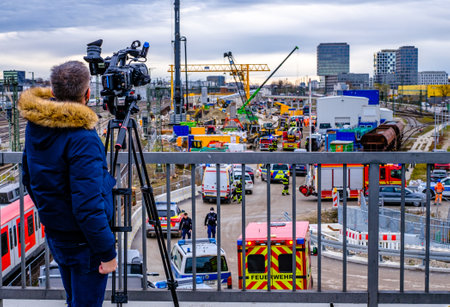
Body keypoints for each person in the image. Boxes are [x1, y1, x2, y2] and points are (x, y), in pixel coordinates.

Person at [19, 61, 117, 307]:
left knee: (74, 300)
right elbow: (88, 206)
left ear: (53, 92)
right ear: (87, 94)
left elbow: (28, 177)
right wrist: (108, 253)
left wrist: (52, 211)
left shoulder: (36, 126)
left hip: (57, 233)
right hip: (84, 242)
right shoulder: (83, 138)